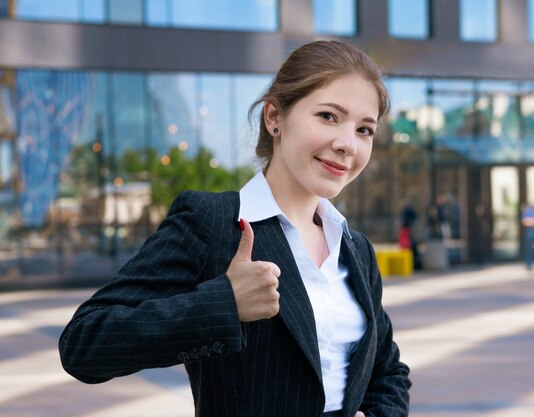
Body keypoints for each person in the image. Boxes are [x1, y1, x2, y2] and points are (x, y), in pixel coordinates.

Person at [59, 40, 411, 417]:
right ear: (274, 117)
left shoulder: (355, 249)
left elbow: (387, 372)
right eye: (328, 116)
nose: (347, 144)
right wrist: (224, 303)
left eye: (364, 130)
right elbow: (84, 343)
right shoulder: (211, 222)